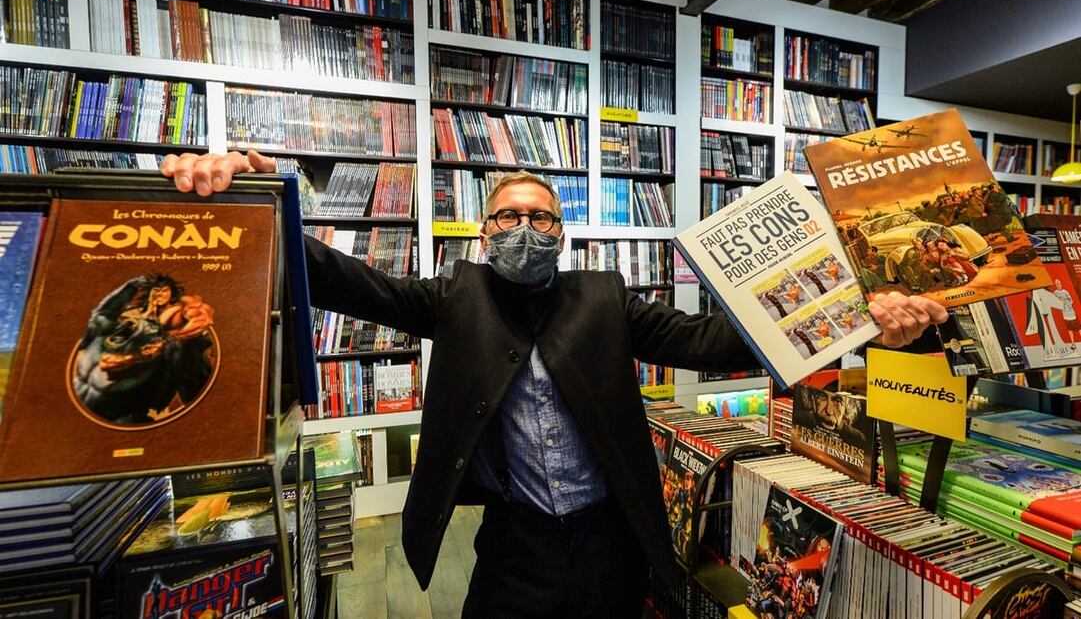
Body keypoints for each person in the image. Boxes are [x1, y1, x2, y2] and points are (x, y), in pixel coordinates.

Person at [161, 149, 947, 617]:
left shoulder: (602, 295)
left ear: (561, 235)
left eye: (541, 218)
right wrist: (259, 203)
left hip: (611, 537)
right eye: (508, 216)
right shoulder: (453, 294)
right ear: (482, 231)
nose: (525, 228)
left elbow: (706, 340)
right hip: (514, 540)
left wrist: (856, 318)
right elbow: (348, 283)